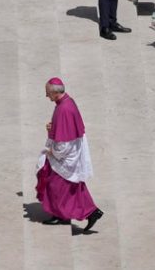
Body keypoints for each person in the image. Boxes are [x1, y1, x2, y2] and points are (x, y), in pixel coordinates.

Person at [36, 77, 104, 230]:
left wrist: (53, 151)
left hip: (66, 155)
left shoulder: (64, 109)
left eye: (47, 93)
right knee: (69, 186)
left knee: (56, 185)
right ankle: (66, 214)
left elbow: (64, 143)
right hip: (70, 152)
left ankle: (87, 212)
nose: (46, 96)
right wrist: (52, 128)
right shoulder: (66, 102)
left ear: (55, 93)